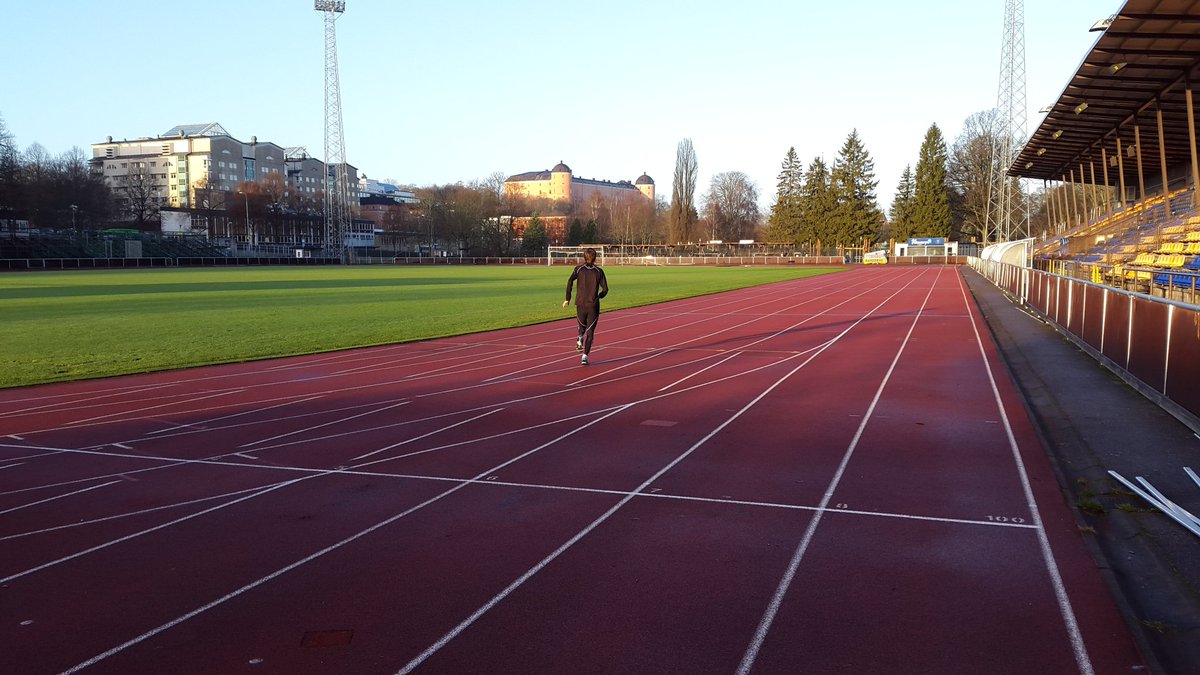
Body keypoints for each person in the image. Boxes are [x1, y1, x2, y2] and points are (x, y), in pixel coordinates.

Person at [562, 248, 608, 365]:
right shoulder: (599, 271)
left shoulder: (579, 269)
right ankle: (584, 356)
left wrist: (567, 298)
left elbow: (570, 281)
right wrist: (599, 296)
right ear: (595, 257)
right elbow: (605, 289)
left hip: (580, 304)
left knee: (582, 326)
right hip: (593, 305)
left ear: (584, 257)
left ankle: (580, 337)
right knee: (591, 332)